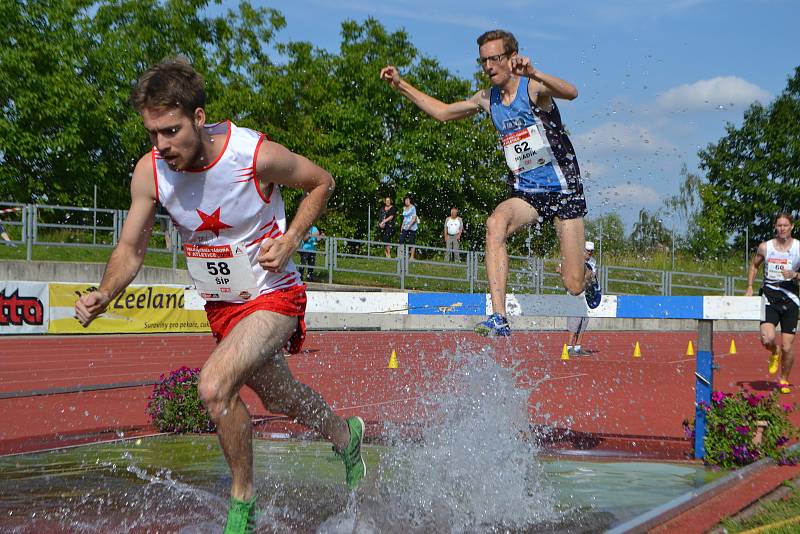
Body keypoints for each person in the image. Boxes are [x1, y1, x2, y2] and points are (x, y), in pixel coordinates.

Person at [73, 58, 366, 533]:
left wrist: (290, 239)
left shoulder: (253, 155)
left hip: (273, 295)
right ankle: (343, 434)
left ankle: (241, 508)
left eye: (170, 131)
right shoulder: (151, 174)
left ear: (199, 117)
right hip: (223, 305)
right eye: (152, 134)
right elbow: (131, 248)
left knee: (214, 387)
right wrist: (104, 292)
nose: (162, 145)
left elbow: (321, 181)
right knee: (280, 397)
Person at [381, 29, 591, 337]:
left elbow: (572, 92)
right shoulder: (487, 99)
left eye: (495, 58)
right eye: (483, 61)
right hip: (527, 193)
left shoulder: (532, 88)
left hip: (563, 191)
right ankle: (499, 316)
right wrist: (401, 86)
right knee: (495, 223)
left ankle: (590, 275)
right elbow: (442, 112)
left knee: (573, 284)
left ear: (511, 58)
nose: (489, 66)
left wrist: (536, 72)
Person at [746, 213, 800, 394]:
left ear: (791, 227)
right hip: (769, 297)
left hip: (790, 299)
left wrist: (795, 275)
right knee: (767, 338)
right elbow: (754, 265)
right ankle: (773, 350)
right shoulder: (765, 247)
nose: (782, 228)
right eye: (779, 225)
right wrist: (750, 287)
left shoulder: (798, 248)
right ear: (775, 227)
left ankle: (784, 379)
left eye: (786, 225)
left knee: (788, 346)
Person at [560, 241, 599, 355]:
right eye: (588, 251)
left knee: (584, 319)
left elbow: (593, 276)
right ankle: (568, 347)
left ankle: (577, 346)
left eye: (592, 251)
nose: (590, 253)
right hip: (575, 293)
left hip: (586, 293)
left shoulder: (592, 262)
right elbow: (560, 269)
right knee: (575, 319)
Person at [399, 195, 419, 261]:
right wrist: (402, 226)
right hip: (405, 226)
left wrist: (409, 226)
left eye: (407, 200)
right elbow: (404, 218)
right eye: (405, 200)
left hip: (412, 227)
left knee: (411, 241)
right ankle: (401, 255)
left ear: (410, 200)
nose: (406, 201)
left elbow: (414, 218)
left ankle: (412, 257)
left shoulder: (413, 208)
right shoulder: (404, 208)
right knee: (401, 239)